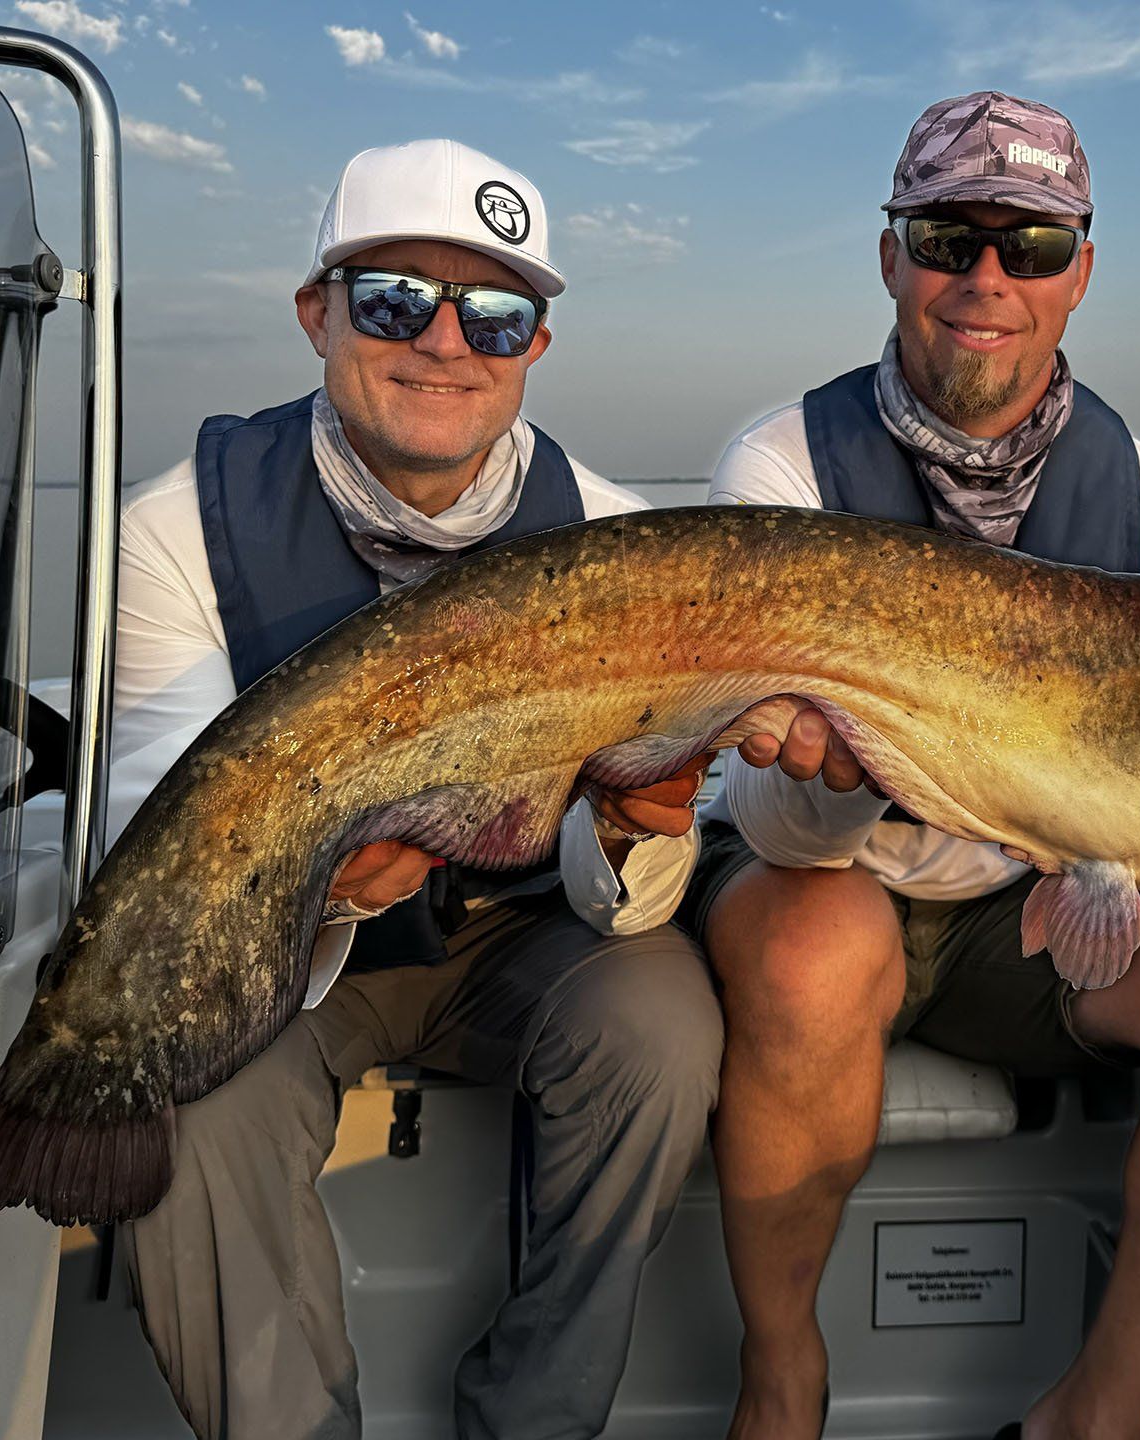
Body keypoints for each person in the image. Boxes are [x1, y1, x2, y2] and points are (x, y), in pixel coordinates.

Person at [692, 93, 1140, 1440]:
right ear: (890, 257)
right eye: (949, 239)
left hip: (1034, 910)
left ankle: (1097, 1415)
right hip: (829, 875)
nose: (985, 281)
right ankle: (782, 1377)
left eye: (1032, 247)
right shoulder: (780, 467)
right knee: (812, 944)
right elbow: (775, 828)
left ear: (1081, 273)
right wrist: (837, 772)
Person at [107, 139, 717, 1440]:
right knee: (188, 1088)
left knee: (658, 1022)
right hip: (273, 956)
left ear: (537, 347)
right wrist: (327, 881)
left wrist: (635, 817)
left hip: (516, 939)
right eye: (394, 299)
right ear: (314, 311)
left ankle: (536, 1418)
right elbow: (155, 854)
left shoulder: (624, 540)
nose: (447, 343)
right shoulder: (172, 531)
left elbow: (631, 901)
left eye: (496, 313)